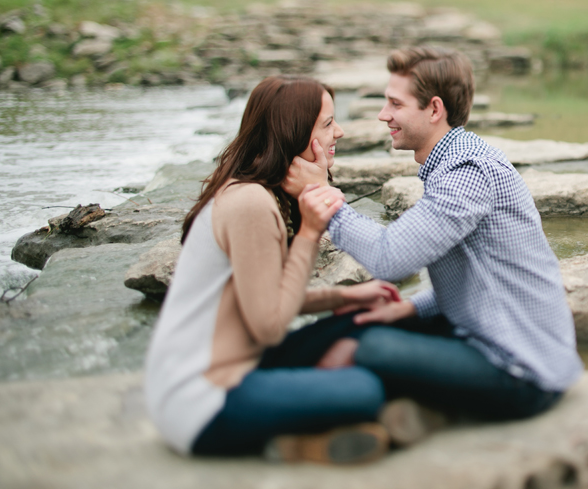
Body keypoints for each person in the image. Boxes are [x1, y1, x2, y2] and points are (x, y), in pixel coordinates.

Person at [287, 46, 584, 425]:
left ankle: (305, 412)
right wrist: (411, 309)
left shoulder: (467, 173)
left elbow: (388, 259)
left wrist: (321, 198)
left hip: (521, 369)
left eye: (395, 103)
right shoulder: (452, 161)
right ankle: (270, 372)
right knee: (361, 320)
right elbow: (480, 279)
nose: (383, 115)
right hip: (485, 334)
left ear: (434, 109)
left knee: (369, 346)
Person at [144, 75, 401, 464]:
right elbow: (268, 324)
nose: (341, 132)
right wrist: (310, 232)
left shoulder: (258, 193)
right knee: (366, 389)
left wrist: (345, 296)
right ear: (295, 133)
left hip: (241, 364)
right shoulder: (250, 204)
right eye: (328, 124)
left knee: (366, 320)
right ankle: (293, 441)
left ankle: (295, 429)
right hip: (199, 400)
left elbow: (262, 298)